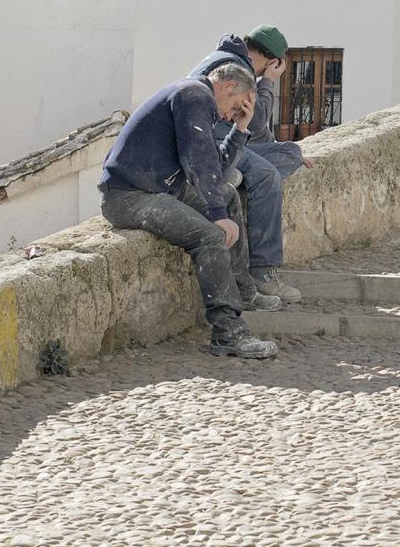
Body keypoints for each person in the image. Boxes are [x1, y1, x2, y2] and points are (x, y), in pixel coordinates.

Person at [99, 63, 280, 359]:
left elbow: (215, 171)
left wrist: (240, 128)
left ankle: (243, 291)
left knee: (229, 196)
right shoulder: (194, 95)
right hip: (129, 195)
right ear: (226, 85)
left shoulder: (198, 98)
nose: (229, 115)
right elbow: (199, 163)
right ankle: (227, 332)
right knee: (210, 236)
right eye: (234, 107)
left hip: (160, 186)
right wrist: (217, 215)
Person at [188, 25, 311, 303]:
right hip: (216, 140)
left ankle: (233, 171)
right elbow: (254, 121)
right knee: (267, 177)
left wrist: (277, 151)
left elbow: (256, 134)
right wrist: (268, 81)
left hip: (226, 137)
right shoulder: (237, 68)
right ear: (272, 61)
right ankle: (263, 274)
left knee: (291, 152)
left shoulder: (228, 56)